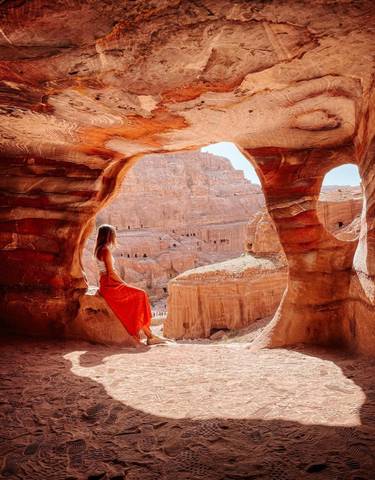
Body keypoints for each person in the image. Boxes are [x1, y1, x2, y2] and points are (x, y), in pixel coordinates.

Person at [94, 224, 166, 347]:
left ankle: (150, 335)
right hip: (111, 285)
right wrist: (123, 284)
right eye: (113, 234)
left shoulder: (98, 249)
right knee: (141, 294)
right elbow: (111, 272)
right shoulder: (105, 250)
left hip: (105, 284)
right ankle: (150, 336)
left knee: (138, 297)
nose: (114, 237)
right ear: (108, 236)